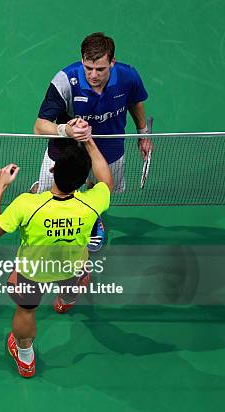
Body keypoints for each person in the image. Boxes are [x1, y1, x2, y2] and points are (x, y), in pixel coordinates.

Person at [0, 128, 112, 378]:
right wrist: (89, 142)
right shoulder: (93, 201)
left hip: (32, 273)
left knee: (26, 310)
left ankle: (25, 359)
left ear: (53, 170)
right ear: (84, 179)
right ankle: (65, 302)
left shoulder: (27, 203)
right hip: (72, 265)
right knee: (76, 277)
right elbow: (106, 180)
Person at [33, 32, 153, 252]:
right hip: (67, 147)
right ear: (82, 61)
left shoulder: (128, 77)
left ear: (112, 62)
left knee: (100, 189)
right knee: (48, 195)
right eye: (88, 68)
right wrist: (65, 129)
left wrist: (143, 133)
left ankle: (92, 219)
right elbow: (39, 126)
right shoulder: (65, 81)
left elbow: (135, 102)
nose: (93, 75)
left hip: (109, 144)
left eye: (100, 69)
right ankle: (39, 196)